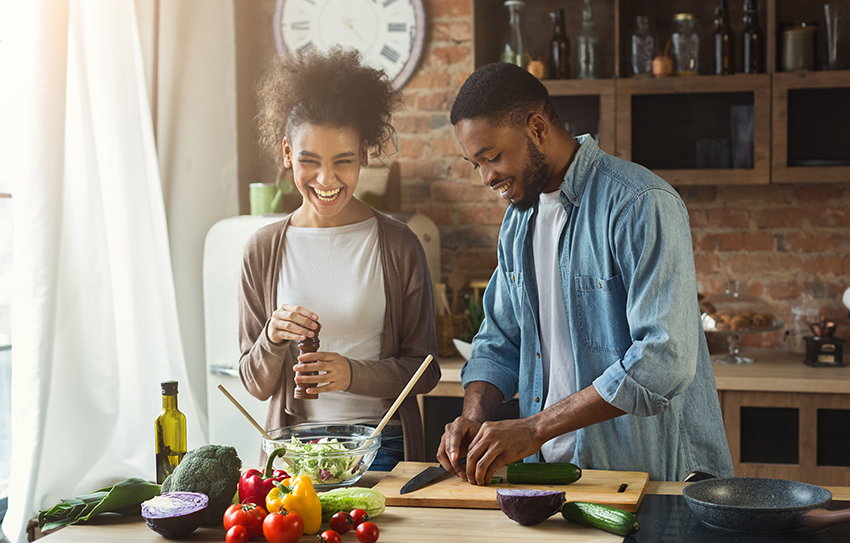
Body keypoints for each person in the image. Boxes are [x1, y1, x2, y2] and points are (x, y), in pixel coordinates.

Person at [437, 62, 734, 483]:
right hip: (549, 475)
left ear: (537, 128)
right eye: (475, 164)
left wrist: (535, 428)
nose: (487, 177)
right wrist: (472, 416)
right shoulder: (517, 222)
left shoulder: (639, 203)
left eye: (493, 157)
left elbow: (664, 359)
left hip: (647, 477)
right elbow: (499, 340)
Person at [239, 47, 440, 470]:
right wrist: (271, 338)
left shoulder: (399, 245)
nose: (326, 180)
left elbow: (426, 370)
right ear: (287, 153)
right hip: (293, 450)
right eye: (309, 161)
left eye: (343, 162)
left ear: (364, 153)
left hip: (380, 446)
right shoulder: (262, 250)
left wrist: (351, 374)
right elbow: (254, 383)